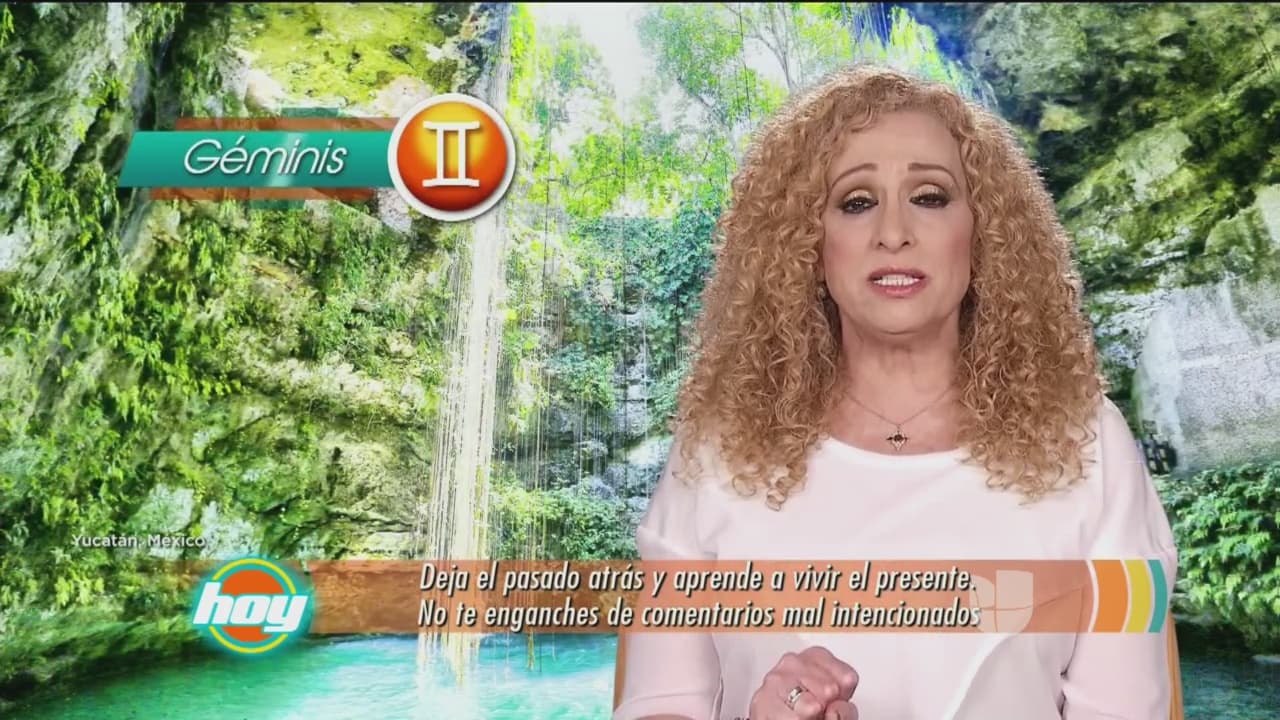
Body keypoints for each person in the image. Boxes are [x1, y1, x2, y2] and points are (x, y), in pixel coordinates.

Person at [611, 65, 1179, 720]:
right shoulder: (715, 449)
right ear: (808, 244)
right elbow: (657, 704)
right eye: (856, 202)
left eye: (930, 197)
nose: (893, 232)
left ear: (985, 232)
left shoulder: (1090, 445)